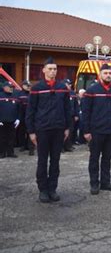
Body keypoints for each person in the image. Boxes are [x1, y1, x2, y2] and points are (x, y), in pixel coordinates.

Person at [26, 57, 71, 203]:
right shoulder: (37, 88)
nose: (53, 71)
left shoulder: (62, 88)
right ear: (44, 70)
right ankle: (43, 190)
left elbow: (67, 109)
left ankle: (52, 189)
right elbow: (30, 112)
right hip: (42, 130)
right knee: (42, 161)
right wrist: (31, 131)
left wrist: (67, 128)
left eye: (55, 69)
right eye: (50, 69)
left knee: (55, 161)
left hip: (58, 129)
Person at [82, 63, 111, 195]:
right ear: (100, 75)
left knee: (107, 159)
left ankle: (105, 183)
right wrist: (86, 131)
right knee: (94, 158)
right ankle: (94, 184)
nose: (108, 75)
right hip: (96, 131)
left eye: (110, 73)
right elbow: (86, 112)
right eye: (105, 73)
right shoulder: (92, 91)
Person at [0, 81, 20, 159]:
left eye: (12, 87)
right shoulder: (0, 95)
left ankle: (10, 152)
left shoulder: (15, 96)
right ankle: (2, 153)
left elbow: (19, 109)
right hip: (2, 121)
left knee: (11, 137)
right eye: (9, 87)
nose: (11, 88)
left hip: (13, 121)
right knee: (2, 138)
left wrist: (18, 118)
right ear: (4, 87)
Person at [17, 80, 34, 155]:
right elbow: (17, 106)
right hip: (22, 116)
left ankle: (31, 149)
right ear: (23, 86)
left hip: (31, 117)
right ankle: (23, 146)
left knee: (31, 132)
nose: (29, 87)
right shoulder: (19, 94)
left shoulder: (33, 94)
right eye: (27, 85)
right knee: (22, 132)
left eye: (29, 86)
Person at [63, 79, 79, 152]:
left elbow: (76, 105)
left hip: (71, 116)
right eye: (68, 84)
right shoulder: (61, 92)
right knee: (62, 132)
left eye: (70, 84)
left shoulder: (73, 93)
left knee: (71, 131)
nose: (70, 85)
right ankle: (61, 147)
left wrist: (76, 114)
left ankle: (68, 146)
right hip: (63, 116)